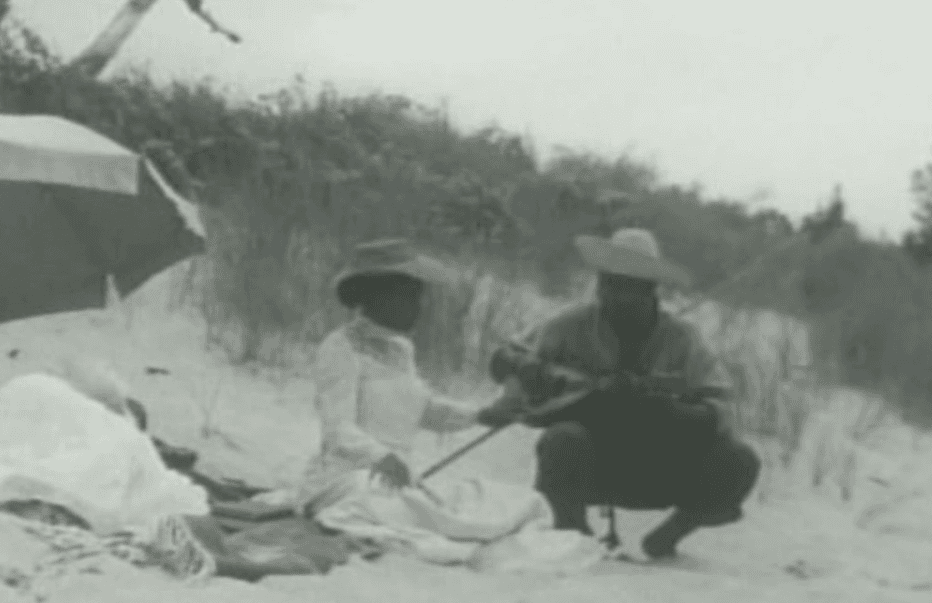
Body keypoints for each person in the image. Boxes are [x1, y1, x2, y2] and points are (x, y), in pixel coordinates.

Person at [480, 228, 761, 560]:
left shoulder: (683, 338)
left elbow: (722, 407)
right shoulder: (572, 325)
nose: (615, 296)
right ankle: (575, 535)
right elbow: (504, 359)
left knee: (740, 460)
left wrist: (665, 409)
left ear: (651, 291)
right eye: (609, 284)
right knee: (561, 440)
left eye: (629, 288)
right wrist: (529, 373)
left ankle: (666, 539)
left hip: (662, 467)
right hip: (594, 466)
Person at [298, 239, 553, 564]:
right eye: (409, 297)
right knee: (380, 502)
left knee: (509, 502)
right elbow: (338, 431)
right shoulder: (340, 348)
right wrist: (384, 458)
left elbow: (425, 408)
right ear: (378, 296)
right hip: (345, 480)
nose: (419, 307)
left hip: (398, 482)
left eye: (418, 297)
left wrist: (482, 415)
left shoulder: (402, 350)